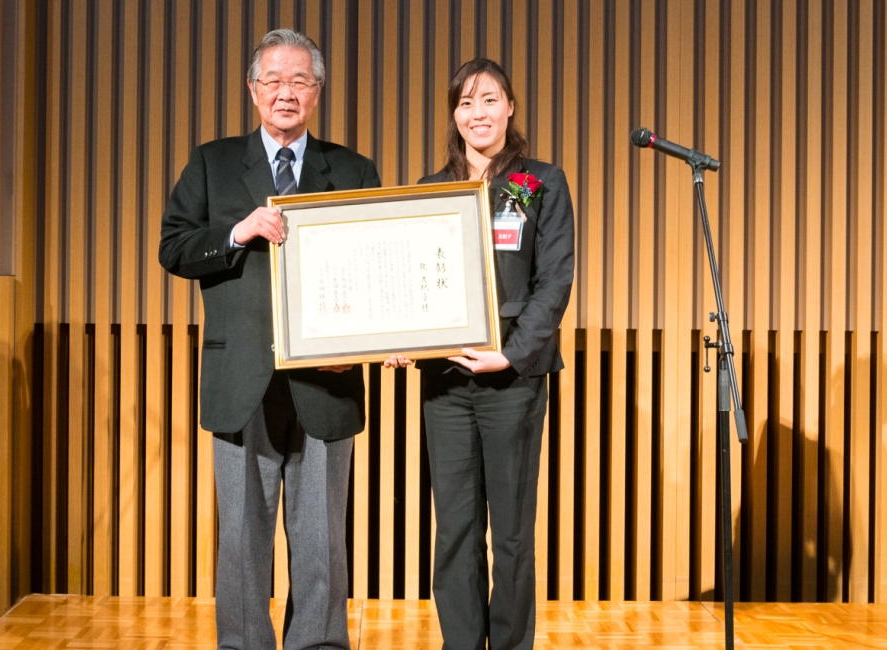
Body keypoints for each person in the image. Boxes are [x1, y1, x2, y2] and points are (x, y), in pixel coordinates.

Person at [159, 29, 381, 650]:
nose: (287, 93)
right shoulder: (213, 161)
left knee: (321, 541)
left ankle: (320, 644)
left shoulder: (355, 169)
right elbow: (173, 247)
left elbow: (375, 267)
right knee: (243, 539)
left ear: (317, 91)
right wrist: (237, 232)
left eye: (300, 81)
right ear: (253, 90)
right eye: (274, 81)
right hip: (241, 378)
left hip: (326, 380)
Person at [387, 57, 575, 650]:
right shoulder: (432, 188)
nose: (478, 113)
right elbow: (410, 283)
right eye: (466, 103)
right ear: (454, 114)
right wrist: (401, 340)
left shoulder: (538, 183)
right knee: (456, 530)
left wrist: (512, 355)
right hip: (445, 382)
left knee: (513, 533)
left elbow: (556, 280)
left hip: (512, 379)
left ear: (511, 107)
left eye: (489, 99)